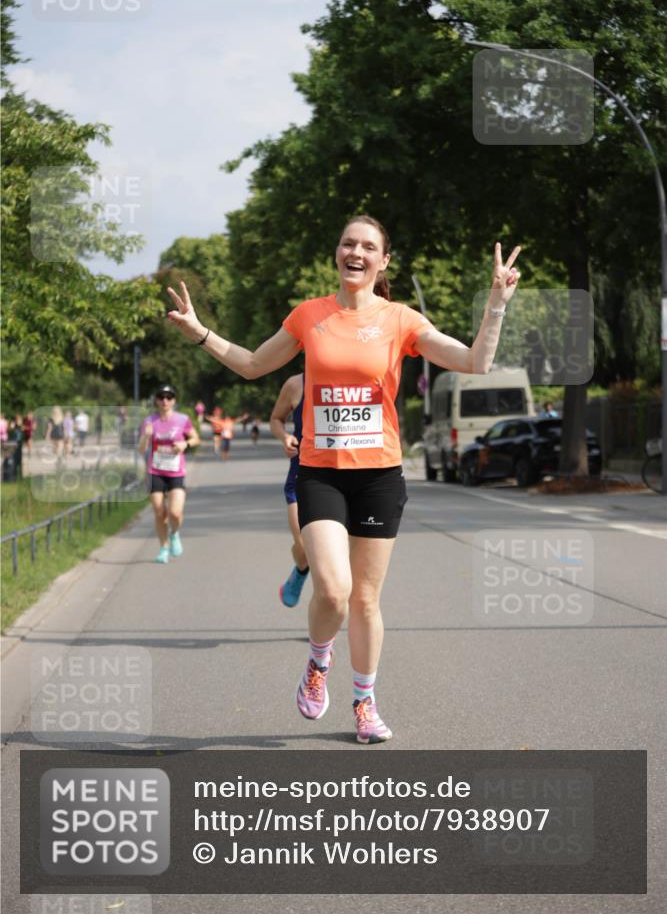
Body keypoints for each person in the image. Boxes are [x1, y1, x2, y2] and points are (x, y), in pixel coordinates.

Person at [166, 216, 521, 743]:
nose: (356, 252)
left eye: (368, 246)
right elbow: (251, 365)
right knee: (333, 591)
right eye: (348, 243)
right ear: (338, 253)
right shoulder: (310, 316)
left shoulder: (401, 320)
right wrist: (202, 335)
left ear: (384, 262)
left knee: (366, 601)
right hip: (320, 474)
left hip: (379, 475)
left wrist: (496, 302)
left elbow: (476, 361)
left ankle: (364, 702)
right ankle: (316, 662)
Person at [138, 384, 200, 564]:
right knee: (159, 513)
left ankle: (175, 533)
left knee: (174, 512)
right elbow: (141, 450)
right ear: (156, 400)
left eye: (169, 397)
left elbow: (195, 438)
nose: (165, 400)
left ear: (174, 400)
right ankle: (164, 548)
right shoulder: (149, 421)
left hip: (175, 472)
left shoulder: (182, 419)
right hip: (154, 471)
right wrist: (145, 437)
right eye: (161, 397)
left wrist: (185, 444)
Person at [270, 373, 310, 607]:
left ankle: (324, 626)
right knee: (306, 547)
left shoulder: (355, 378)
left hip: (344, 479)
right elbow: (276, 418)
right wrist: (285, 437)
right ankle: (301, 570)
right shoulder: (296, 384)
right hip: (301, 477)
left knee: (332, 560)